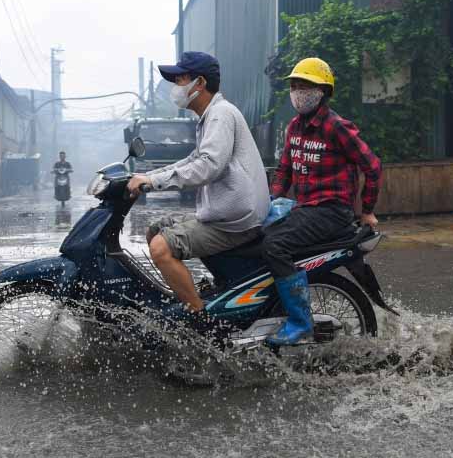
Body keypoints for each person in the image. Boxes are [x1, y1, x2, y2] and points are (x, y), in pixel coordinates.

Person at [127, 52, 269, 322]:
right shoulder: (209, 116)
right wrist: (147, 176)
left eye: (180, 80)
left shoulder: (220, 115)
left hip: (234, 221)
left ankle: (200, 321)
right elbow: (193, 160)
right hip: (223, 214)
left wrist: (153, 181)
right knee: (155, 229)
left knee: (160, 248)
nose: (176, 88)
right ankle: (186, 293)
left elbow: (208, 165)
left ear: (200, 83)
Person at [265, 57, 383, 346]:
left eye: (305, 86)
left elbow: (373, 166)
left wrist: (367, 211)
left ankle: (300, 320)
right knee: (253, 234)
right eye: (294, 86)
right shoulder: (293, 127)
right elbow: (284, 171)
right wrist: (271, 200)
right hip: (305, 210)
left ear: (322, 91)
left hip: (331, 212)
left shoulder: (336, 127)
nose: (298, 91)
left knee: (274, 245)